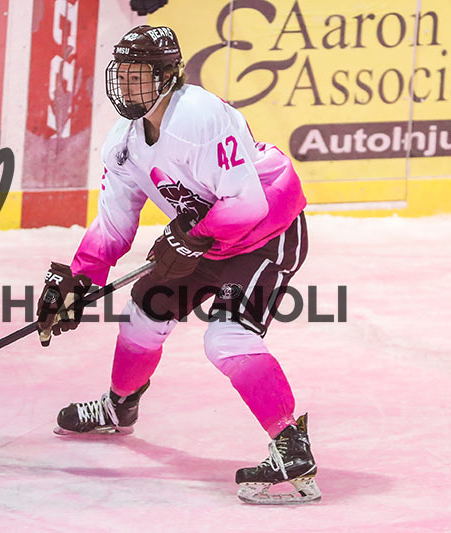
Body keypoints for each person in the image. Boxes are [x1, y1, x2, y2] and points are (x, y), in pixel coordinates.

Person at [35, 25, 320, 505]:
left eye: (140, 76)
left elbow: (248, 204)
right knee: (142, 315)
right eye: (122, 75)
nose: (128, 87)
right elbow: (113, 225)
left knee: (226, 338)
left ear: (168, 76)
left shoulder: (199, 116)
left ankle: (293, 452)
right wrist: (78, 281)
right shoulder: (122, 146)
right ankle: (118, 407)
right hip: (203, 238)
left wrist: (188, 239)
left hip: (265, 235)